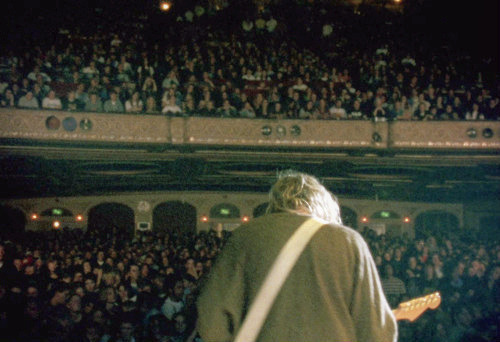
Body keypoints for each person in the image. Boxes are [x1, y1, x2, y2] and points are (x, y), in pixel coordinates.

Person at [197, 171, 397, 342]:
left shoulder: (245, 236)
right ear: (322, 202)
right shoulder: (349, 241)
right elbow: (377, 329)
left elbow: (211, 319)